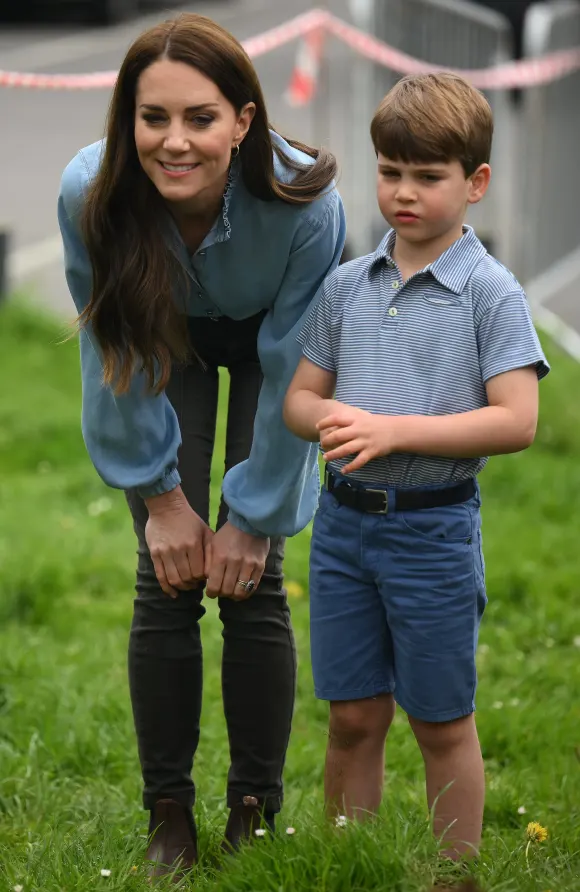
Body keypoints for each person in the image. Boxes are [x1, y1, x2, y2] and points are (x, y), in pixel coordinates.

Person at [57, 12, 345, 878]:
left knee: (252, 579)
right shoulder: (92, 193)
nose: (174, 141)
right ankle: (169, 815)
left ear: (244, 121)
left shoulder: (306, 204)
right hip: (164, 339)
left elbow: (299, 369)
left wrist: (252, 518)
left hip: (271, 347)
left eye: (201, 118)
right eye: (154, 118)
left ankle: (254, 812)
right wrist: (162, 499)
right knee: (168, 573)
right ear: (128, 118)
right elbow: (114, 351)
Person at [284, 72, 549, 858]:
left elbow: (517, 420)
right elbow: (300, 400)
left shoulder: (490, 293)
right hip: (341, 530)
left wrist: (394, 431)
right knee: (351, 716)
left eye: (428, 176)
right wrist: (334, 422)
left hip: (432, 534)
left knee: (440, 721)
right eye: (390, 171)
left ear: (476, 183)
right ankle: (349, 866)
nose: (404, 192)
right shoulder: (346, 288)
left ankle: (454, 875)